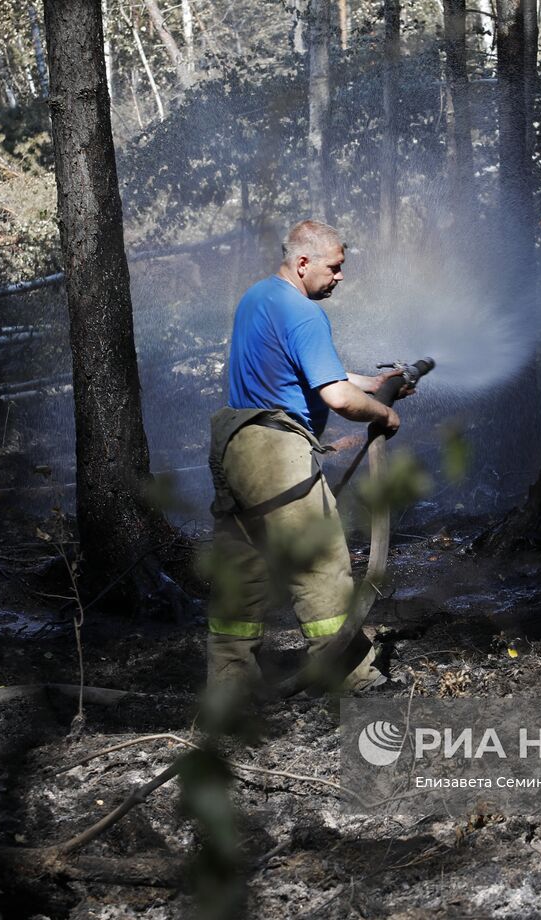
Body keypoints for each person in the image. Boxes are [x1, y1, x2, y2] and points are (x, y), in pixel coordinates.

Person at [206, 219, 405, 694]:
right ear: (303, 263)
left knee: (243, 572)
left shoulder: (259, 297)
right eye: (334, 268)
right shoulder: (305, 312)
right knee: (320, 564)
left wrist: (372, 383)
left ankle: (229, 685)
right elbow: (337, 398)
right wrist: (383, 414)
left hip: (234, 445)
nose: (339, 277)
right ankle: (351, 677)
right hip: (275, 451)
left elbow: (306, 370)